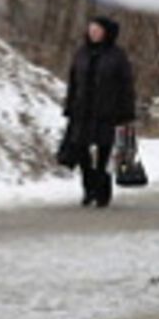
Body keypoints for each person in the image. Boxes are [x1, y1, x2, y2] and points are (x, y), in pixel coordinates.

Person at [64, 17, 139, 209]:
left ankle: (103, 191)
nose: (93, 32)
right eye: (91, 29)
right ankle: (89, 186)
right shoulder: (81, 53)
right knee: (81, 150)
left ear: (106, 32)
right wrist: (69, 106)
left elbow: (126, 86)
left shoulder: (117, 56)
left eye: (97, 29)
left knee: (105, 152)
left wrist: (126, 113)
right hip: (83, 111)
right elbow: (73, 81)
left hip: (107, 112)